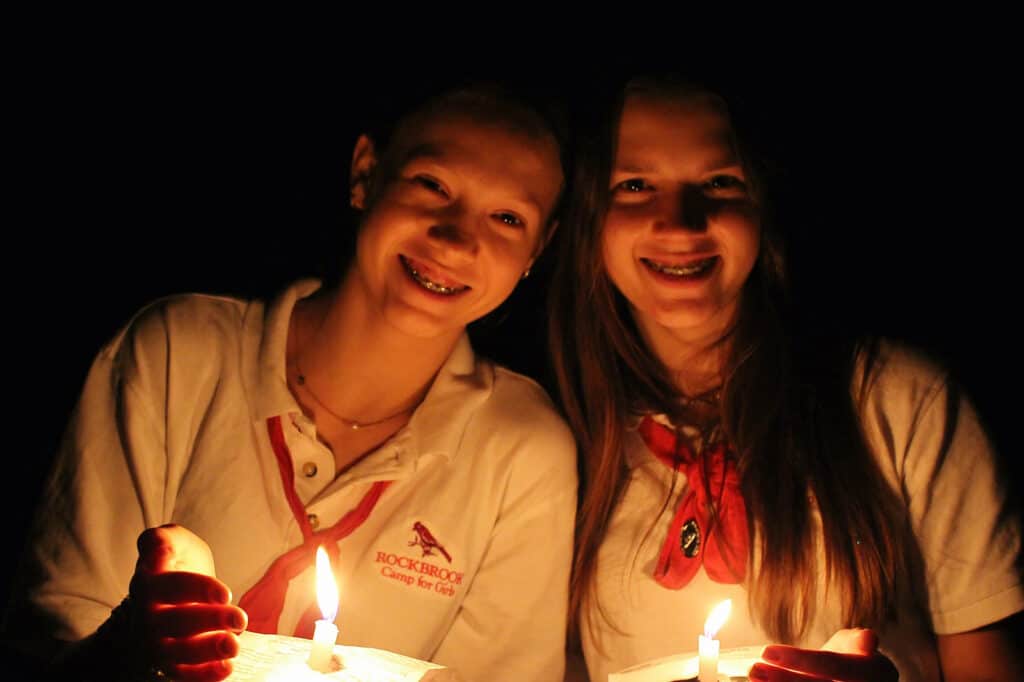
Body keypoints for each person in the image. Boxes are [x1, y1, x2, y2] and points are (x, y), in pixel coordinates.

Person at [6, 78, 577, 682]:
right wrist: (127, 647)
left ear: (539, 250)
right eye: (432, 185)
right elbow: (48, 637)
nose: (458, 238)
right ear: (366, 173)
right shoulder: (180, 355)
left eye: (508, 218)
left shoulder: (521, 449)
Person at [549, 73, 1023, 682]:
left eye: (719, 181)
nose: (682, 224)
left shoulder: (897, 400)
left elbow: (987, 662)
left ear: (762, 204)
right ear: (588, 218)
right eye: (635, 185)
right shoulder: (564, 437)